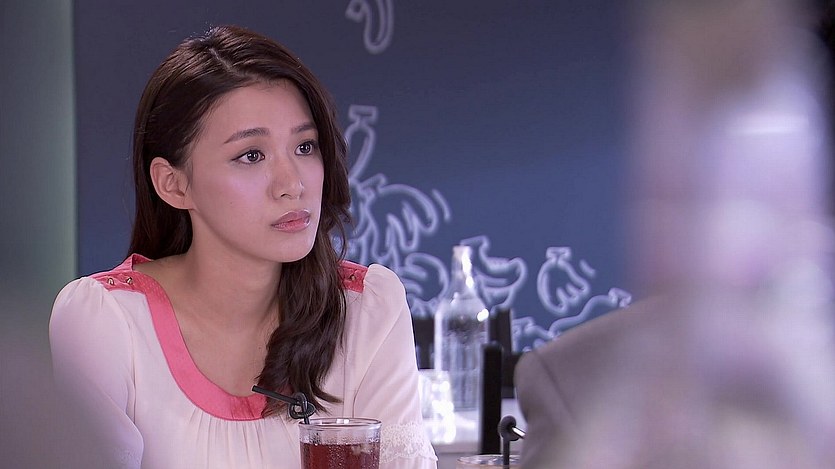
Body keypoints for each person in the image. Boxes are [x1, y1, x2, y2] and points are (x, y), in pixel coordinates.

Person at [49, 25, 437, 469]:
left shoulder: (368, 307)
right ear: (173, 184)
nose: (292, 183)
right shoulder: (104, 320)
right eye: (251, 155)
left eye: (305, 146)